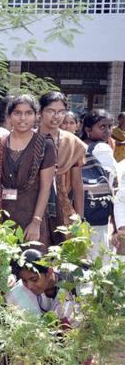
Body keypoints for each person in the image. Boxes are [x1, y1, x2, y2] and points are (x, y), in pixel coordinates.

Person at [0, 95, 56, 248]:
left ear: (37, 116)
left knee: (32, 266)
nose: (22, 118)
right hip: (3, 218)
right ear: (9, 116)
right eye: (17, 113)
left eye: (28, 113)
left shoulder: (45, 145)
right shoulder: (0, 144)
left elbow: (46, 187)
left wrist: (36, 222)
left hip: (32, 217)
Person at [37, 91, 86, 243]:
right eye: (51, 111)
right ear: (40, 112)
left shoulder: (72, 143)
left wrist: (80, 218)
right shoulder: (29, 139)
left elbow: (77, 184)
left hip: (63, 209)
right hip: (32, 207)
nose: (56, 116)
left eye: (60, 112)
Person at [80, 109, 116, 259]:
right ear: (88, 129)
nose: (107, 131)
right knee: (99, 258)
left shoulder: (81, 145)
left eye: (109, 127)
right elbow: (111, 183)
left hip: (83, 208)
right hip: (99, 210)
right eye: (102, 127)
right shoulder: (102, 148)